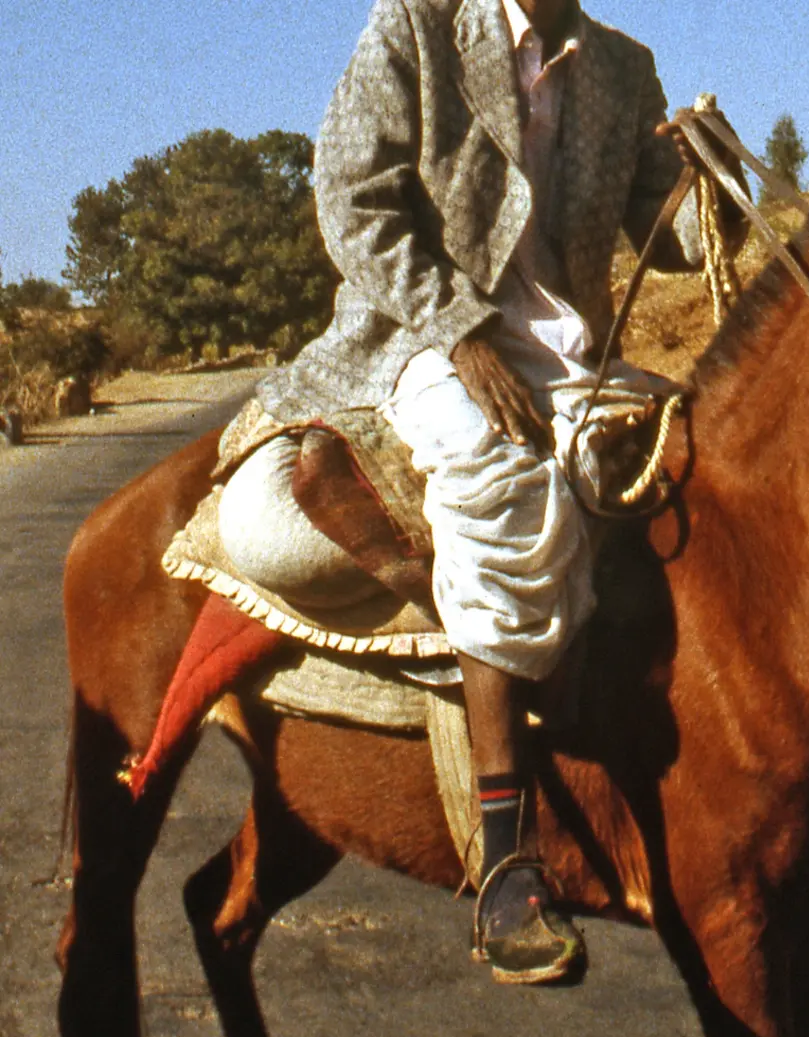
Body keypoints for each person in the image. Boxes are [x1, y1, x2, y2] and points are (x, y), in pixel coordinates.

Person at [218, 0, 744, 984]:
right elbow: (350, 198)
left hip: (569, 355)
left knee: (688, 466)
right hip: (415, 338)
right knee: (501, 480)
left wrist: (690, 175)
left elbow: (665, 245)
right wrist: (459, 332)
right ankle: (507, 859)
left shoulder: (624, 67)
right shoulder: (413, 29)